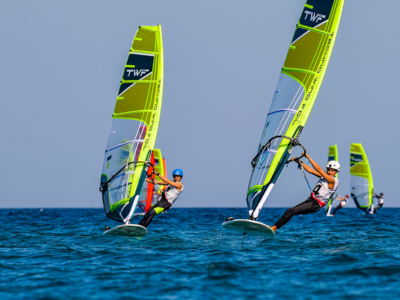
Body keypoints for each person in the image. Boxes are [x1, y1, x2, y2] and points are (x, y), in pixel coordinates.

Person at [270, 153, 339, 232]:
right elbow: (311, 171)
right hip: (310, 200)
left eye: (332, 170)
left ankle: (274, 228)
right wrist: (299, 162)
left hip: (315, 205)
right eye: (328, 170)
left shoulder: (332, 180)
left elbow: (319, 169)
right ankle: (274, 227)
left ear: (336, 172)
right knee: (289, 211)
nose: (329, 172)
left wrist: (308, 157)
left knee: (292, 211)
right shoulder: (325, 177)